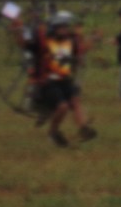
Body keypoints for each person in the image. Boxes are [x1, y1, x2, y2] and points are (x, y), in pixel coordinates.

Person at [23, 11, 97, 147]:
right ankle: (53, 132)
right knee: (63, 107)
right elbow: (25, 44)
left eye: (65, 28)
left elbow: (80, 51)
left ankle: (84, 129)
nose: (64, 30)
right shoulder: (44, 43)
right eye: (61, 28)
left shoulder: (70, 41)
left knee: (75, 100)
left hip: (64, 80)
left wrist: (91, 40)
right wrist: (17, 27)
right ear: (54, 29)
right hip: (47, 83)